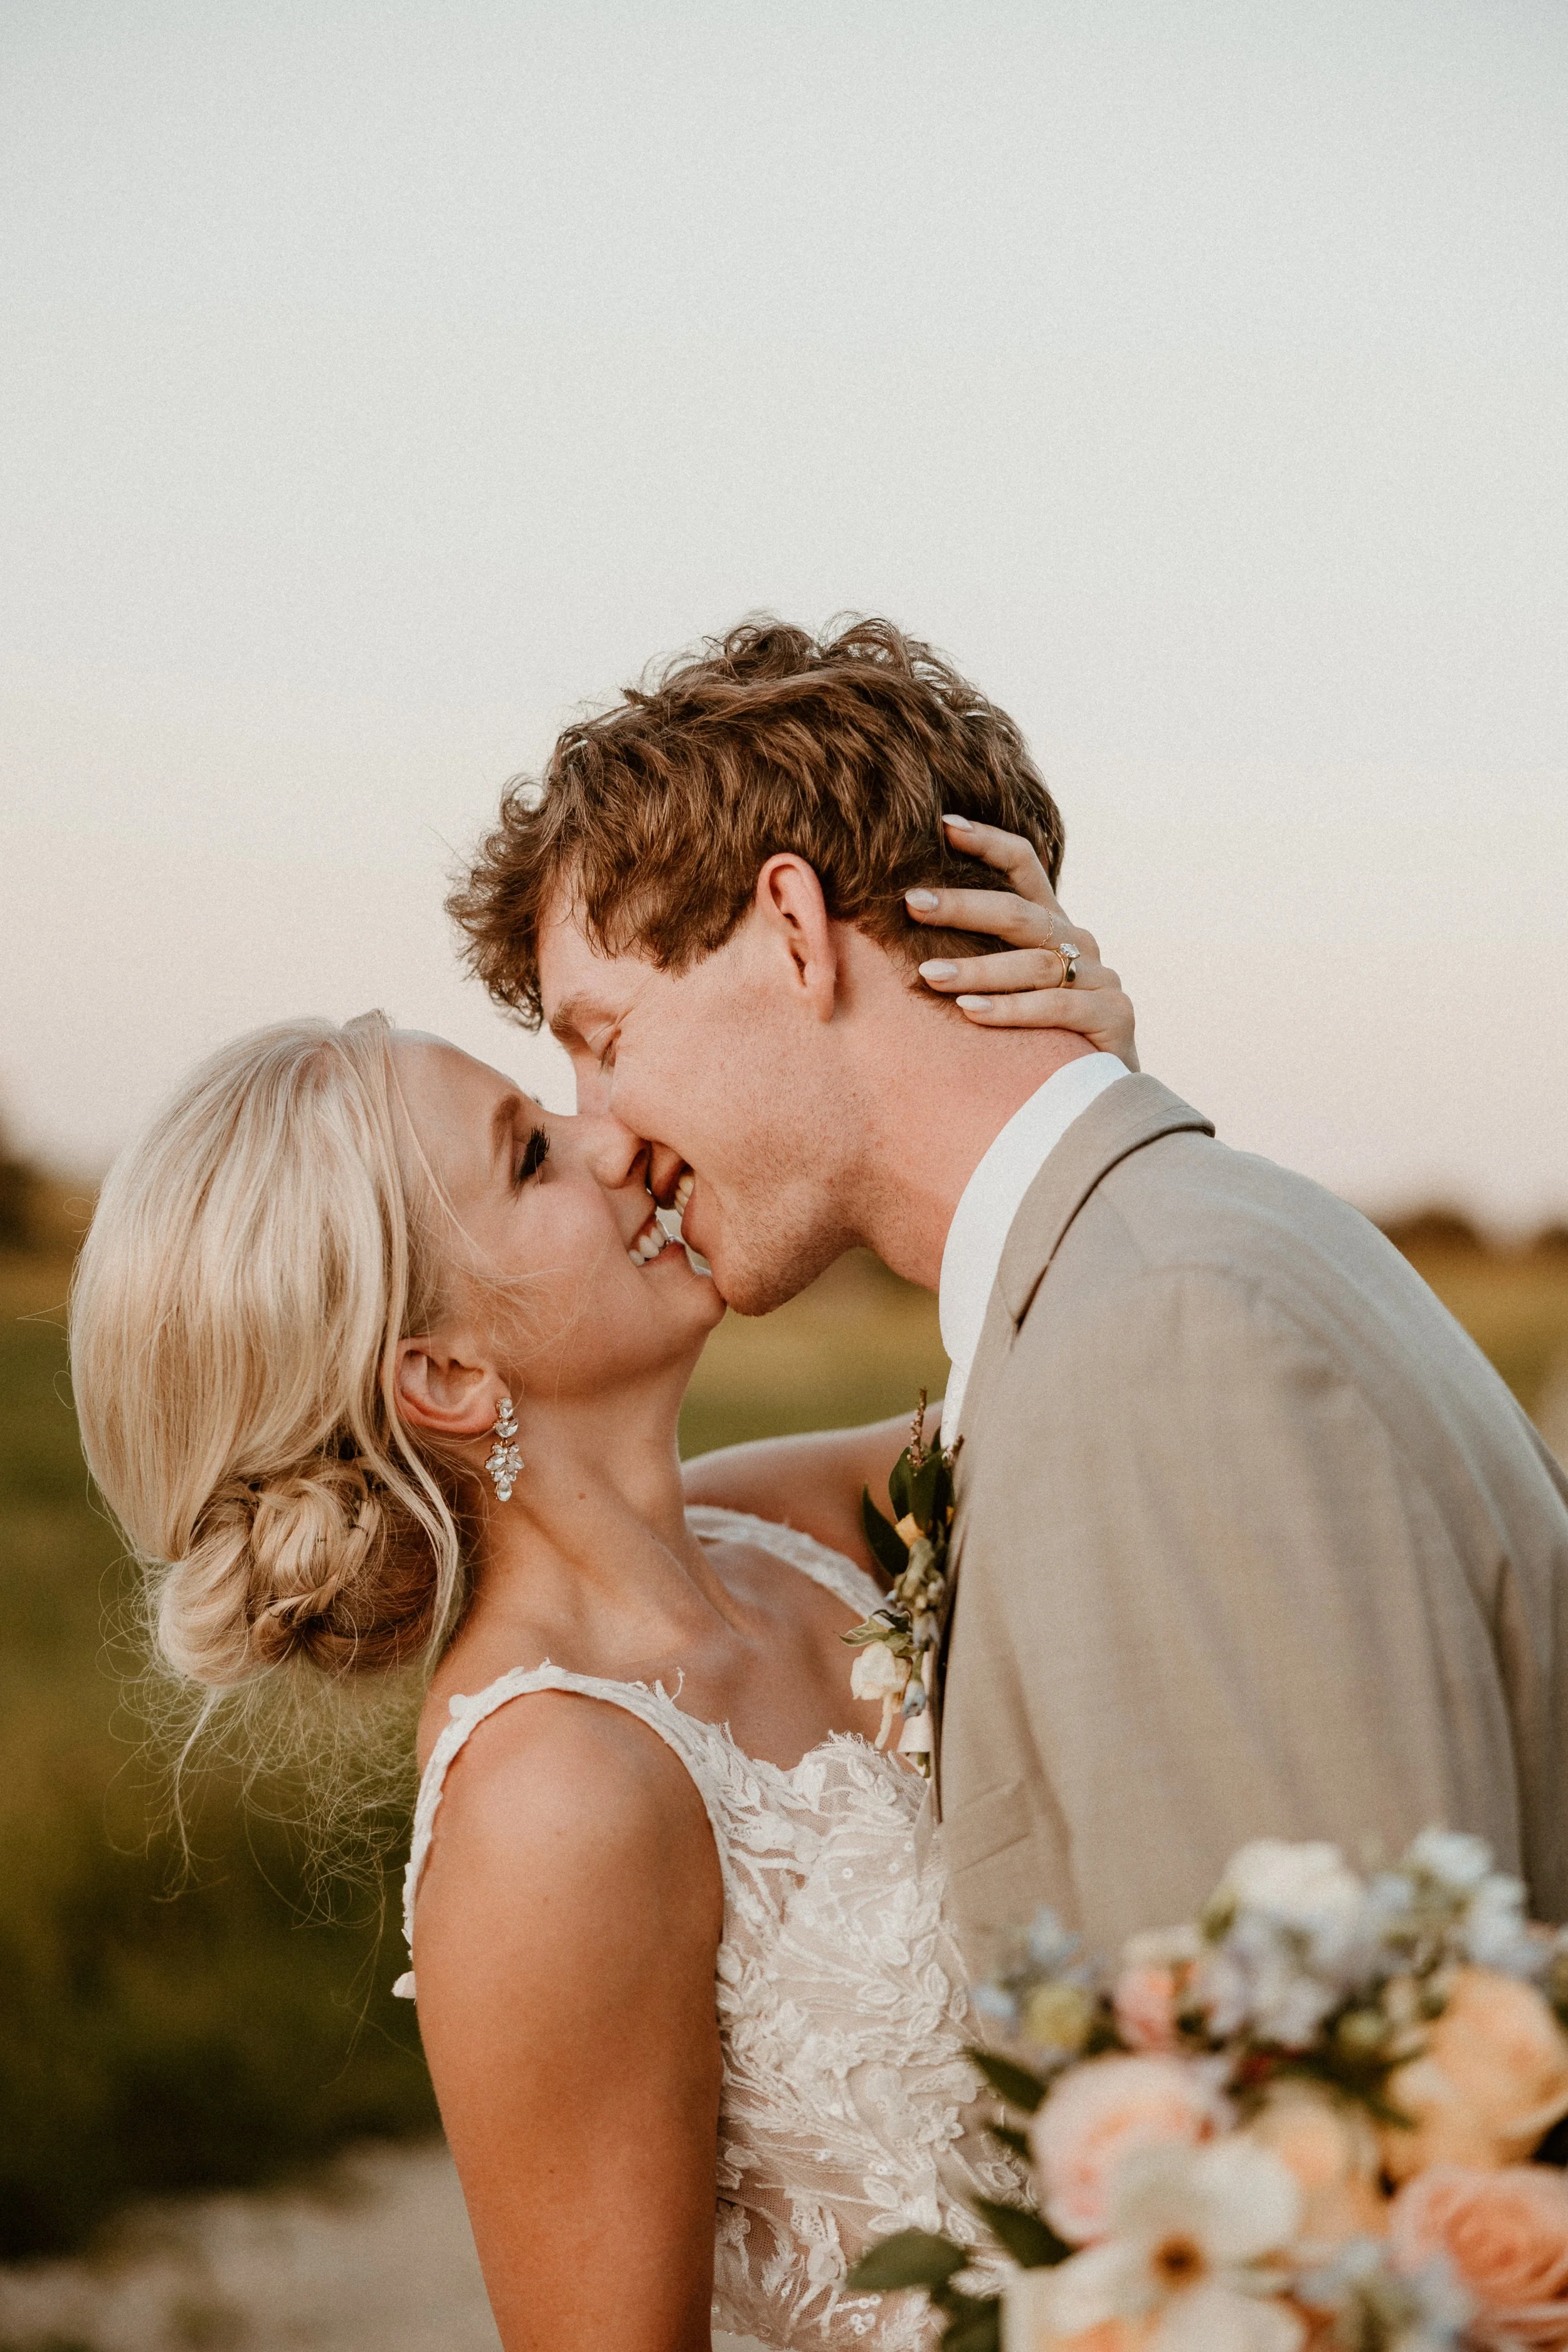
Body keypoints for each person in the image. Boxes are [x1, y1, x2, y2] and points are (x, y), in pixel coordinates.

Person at [68, 869, 1133, 2352]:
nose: (617, 1135)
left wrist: (1073, 1098)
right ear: (443, 1376)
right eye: (530, 1157)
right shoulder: (552, 1799)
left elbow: (1121, 1377)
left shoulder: (806, 1523)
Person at [450, 612, 1568, 1968]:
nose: (607, 1129)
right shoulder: (1150, 1272)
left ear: (795, 932)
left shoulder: (1165, 1338)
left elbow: (1325, 2114)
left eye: (605, 1039)